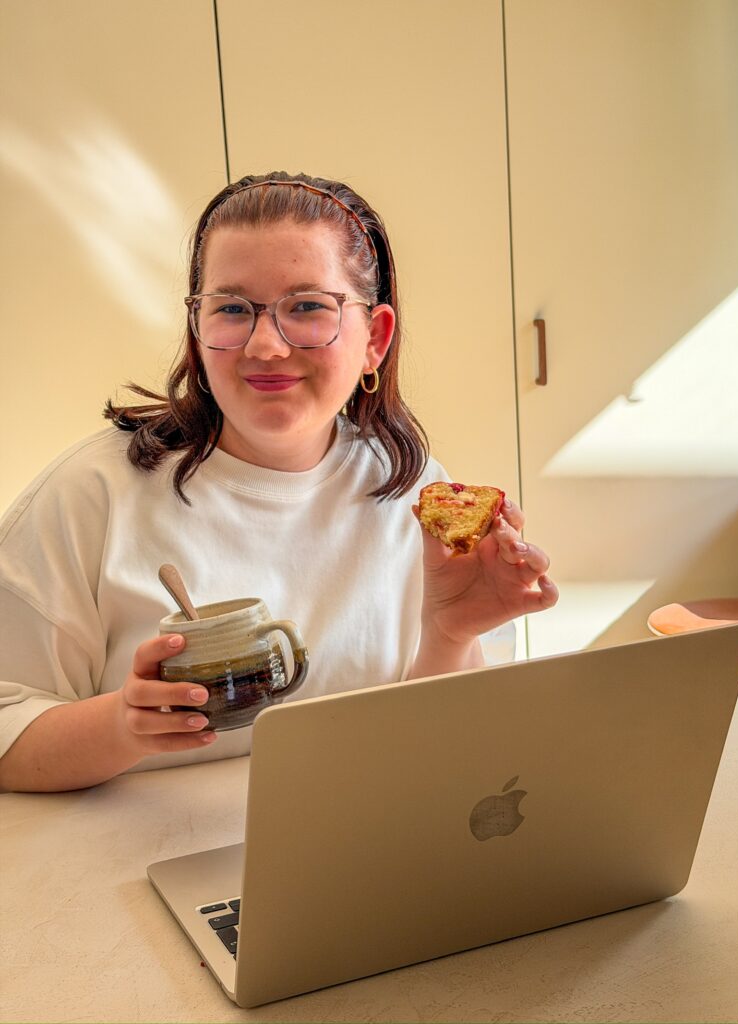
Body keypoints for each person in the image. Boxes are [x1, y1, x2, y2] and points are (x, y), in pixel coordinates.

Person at [0, 171, 558, 793]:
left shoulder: (417, 494)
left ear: (374, 338)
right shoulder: (92, 495)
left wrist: (451, 635)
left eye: (308, 308)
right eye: (234, 309)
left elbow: (445, 754)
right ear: (197, 328)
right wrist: (124, 726)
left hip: (362, 852)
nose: (265, 346)